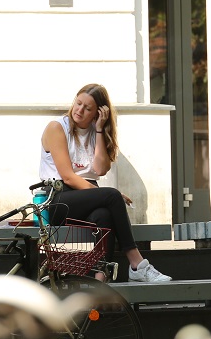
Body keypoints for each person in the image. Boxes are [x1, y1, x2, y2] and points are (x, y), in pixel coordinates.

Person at [40, 83, 172, 283]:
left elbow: (100, 169)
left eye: (88, 108)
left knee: (104, 215)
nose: (80, 110)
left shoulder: (96, 132)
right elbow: (68, 177)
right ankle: (137, 263)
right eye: (78, 103)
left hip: (88, 197)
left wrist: (100, 130)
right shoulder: (57, 128)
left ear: (98, 113)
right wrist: (112, 195)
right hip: (58, 198)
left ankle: (100, 280)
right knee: (111, 195)